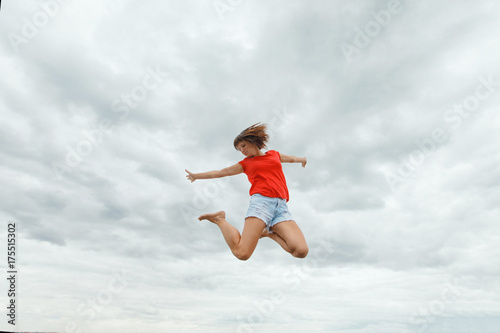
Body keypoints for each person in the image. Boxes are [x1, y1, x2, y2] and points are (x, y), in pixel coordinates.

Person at [185, 123, 308, 261]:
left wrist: (302, 159)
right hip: (262, 203)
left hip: (281, 207)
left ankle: (267, 233)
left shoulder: (274, 154)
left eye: (243, 146)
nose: (242, 150)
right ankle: (219, 219)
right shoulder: (245, 164)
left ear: (253, 141)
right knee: (242, 253)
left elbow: (290, 159)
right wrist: (196, 176)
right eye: (239, 149)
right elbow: (221, 172)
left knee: (301, 251)